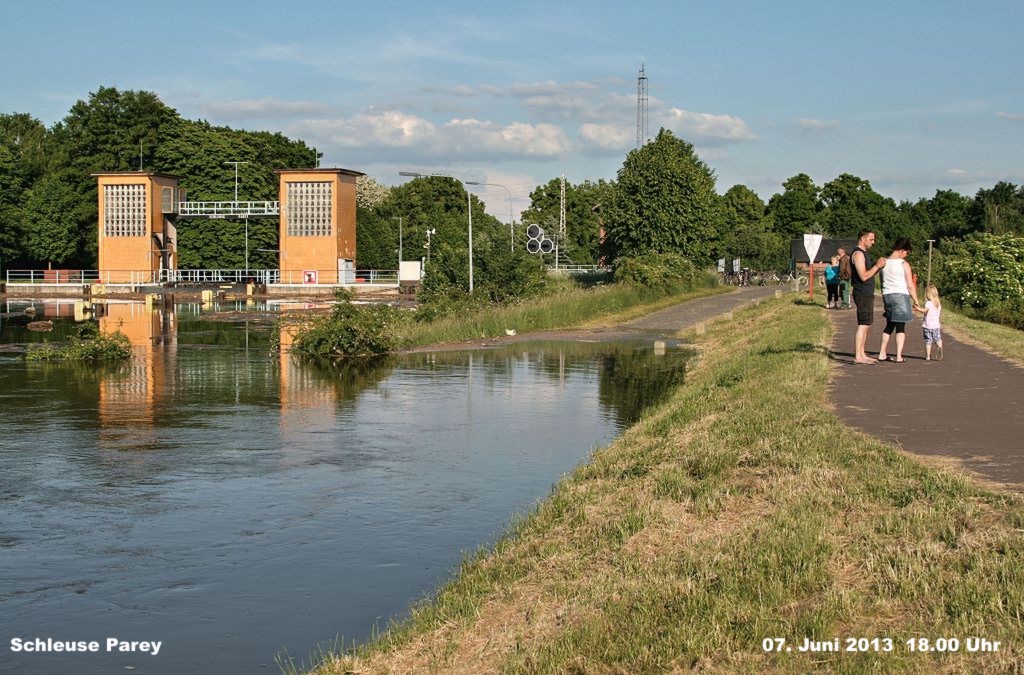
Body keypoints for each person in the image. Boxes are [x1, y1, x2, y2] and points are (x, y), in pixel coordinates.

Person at [877, 239, 921, 363]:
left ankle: (881, 353)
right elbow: (910, 285)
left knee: (889, 325)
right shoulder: (903, 264)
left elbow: (881, 281)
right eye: (907, 253)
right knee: (900, 327)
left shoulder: (883, 263)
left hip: (887, 295)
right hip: (900, 295)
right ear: (902, 251)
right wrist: (916, 300)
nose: (906, 256)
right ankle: (899, 356)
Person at [850, 230, 886, 364]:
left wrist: (878, 268)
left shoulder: (863, 253)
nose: (873, 242)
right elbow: (863, 276)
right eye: (871, 239)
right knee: (863, 324)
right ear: (863, 238)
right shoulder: (858, 254)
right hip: (862, 292)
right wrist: (877, 266)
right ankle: (858, 356)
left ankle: (862, 353)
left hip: (866, 292)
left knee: (866, 324)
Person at [916, 285, 944, 361]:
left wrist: (918, 309)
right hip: (936, 325)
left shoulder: (928, 303)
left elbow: (925, 311)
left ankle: (928, 356)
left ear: (928, 294)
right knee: (937, 338)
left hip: (927, 325)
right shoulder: (938, 304)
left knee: (928, 341)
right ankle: (939, 346)